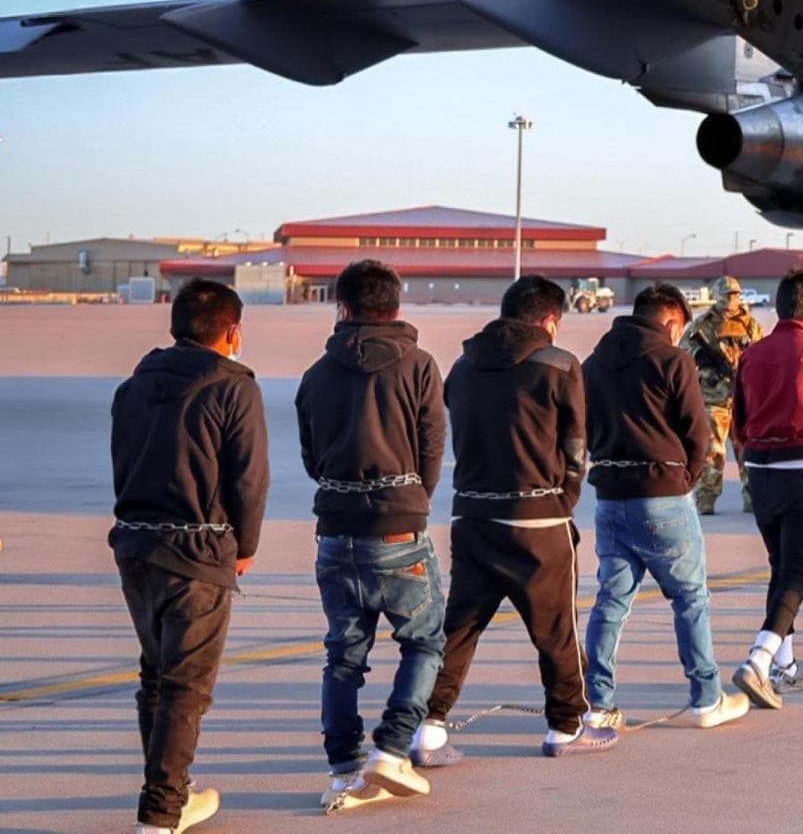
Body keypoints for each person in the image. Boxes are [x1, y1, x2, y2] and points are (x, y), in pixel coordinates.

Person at [416, 276, 616, 764]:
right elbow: (575, 445)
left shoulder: (462, 367)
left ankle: (429, 724)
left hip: (473, 514)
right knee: (556, 629)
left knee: (459, 627)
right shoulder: (560, 364)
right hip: (538, 519)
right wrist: (563, 499)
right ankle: (565, 725)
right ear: (549, 320)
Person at [110, 278, 269, 834]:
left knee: (158, 675)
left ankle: (173, 791)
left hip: (135, 546)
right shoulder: (234, 387)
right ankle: (161, 813)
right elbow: (249, 479)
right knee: (185, 686)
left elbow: (122, 466)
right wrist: (245, 546)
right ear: (231, 331)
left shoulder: (132, 386)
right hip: (197, 551)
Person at [294, 260, 447, 813]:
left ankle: (342, 769)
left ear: (343, 307)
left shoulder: (316, 374)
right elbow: (432, 448)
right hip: (398, 525)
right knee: (425, 640)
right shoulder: (421, 366)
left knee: (343, 655)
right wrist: (411, 498)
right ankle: (391, 747)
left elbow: (312, 458)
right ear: (396, 306)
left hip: (336, 528)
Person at [580, 283, 750, 731]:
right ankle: (706, 697)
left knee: (611, 602)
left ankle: (597, 703)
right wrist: (685, 479)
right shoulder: (674, 360)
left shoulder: (592, 364)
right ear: (671, 321)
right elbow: (698, 434)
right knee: (690, 598)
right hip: (663, 495)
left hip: (610, 496)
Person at [728, 270, 803, 709]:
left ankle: (786, 665)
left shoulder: (752, 353)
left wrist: (749, 459)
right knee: (799, 572)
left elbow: (737, 420)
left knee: (780, 567)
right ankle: (758, 660)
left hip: (760, 468)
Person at [682, 276, 764, 514]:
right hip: (713, 397)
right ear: (717, 296)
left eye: (736, 294)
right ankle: (706, 498)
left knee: (747, 450)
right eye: (727, 294)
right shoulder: (702, 326)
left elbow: (762, 354)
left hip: (744, 398)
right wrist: (705, 364)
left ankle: (752, 497)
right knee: (711, 453)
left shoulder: (751, 325)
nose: (732, 299)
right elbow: (685, 352)